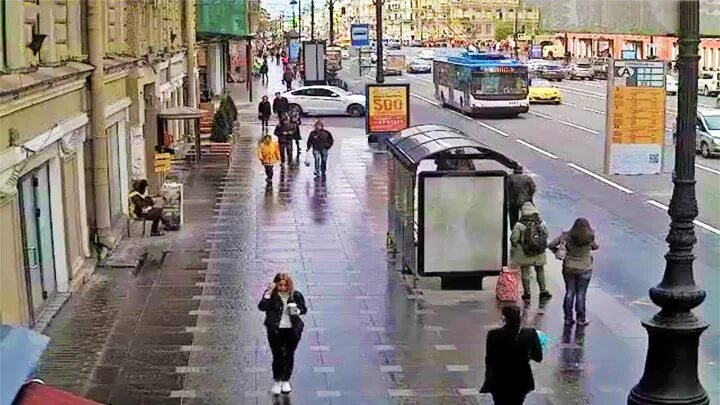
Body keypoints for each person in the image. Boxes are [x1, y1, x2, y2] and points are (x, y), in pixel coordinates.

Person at [480, 305, 543, 404]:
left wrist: (488, 380)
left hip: (499, 379)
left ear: (504, 318)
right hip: (521, 379)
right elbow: (538, 357)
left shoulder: (493, 335)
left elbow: (489, 360)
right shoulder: (530, 333)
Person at [258, 273, 307, 395]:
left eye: (285, 285)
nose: (283, 287)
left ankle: (286, 380)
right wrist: (268, 292)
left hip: (292, 330)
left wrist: (297, 311)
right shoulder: (272, 296)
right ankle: (277, 381)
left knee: (289, 354)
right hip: (275, 330)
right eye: (280, 285)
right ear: (276, 284)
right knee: (277, 355)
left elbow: (304, 309)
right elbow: (262, 307)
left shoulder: (296, 295)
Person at [549, 218, 599, 326]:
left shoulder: (566, 236)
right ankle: (581, 319)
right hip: (585, 268)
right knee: (581, 293)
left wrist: (558, 252)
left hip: (569, 267)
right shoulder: (590, 237)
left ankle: (568, 318)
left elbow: (551, 245)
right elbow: (595, 247)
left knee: (570, 291)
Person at [510, 202, 551, 301]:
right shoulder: (541, 223)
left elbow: (514, 239)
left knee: (525, 272)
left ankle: (527, 293)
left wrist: (517, 245)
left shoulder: (519, 225)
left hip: (525, 253)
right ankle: (543, 291)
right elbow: (546, 235)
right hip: (539, 252)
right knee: (540, 271)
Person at [508, 166, 536, 230]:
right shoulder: (528, 178)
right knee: (529, 217)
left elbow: (507, 189)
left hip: (513, 202)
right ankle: (528, 231)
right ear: (521, 170)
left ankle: (515, 233)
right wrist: (528, 197)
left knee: (513, 219)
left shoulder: (510, 177)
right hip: (525, 201)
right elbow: (533, 189)